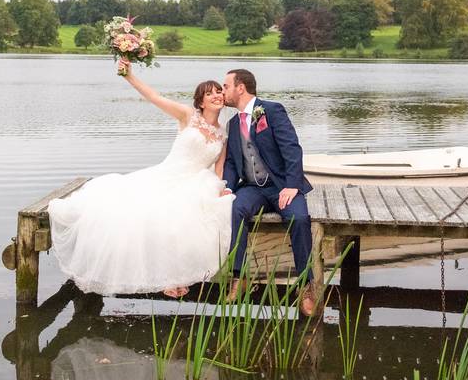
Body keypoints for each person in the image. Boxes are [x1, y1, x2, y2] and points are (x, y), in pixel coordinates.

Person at [47, 59, 233, 298]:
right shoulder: (188, 116)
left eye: (219, 91)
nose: (216, 95)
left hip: (196, 181)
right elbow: (154, 97)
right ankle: (168, 278)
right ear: (200, 101)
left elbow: (218, 169)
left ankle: (178, 276)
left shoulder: (223, 134)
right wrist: (129, 75)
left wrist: (220, 187)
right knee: (144, 212)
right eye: (210, 93)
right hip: (167, 175)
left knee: (193, 216)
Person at [221, 69, 316, 316]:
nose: (223, 91)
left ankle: (306, 284)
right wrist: (227, 187)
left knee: (299, 218)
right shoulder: (232, 124)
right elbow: (232, 162)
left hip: (282, 185)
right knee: (235, 208)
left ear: (240, 87)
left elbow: (292, 148)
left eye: (225, 86)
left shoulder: (271, 111)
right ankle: (239, 276)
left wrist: (292, 184)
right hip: (253, 187)